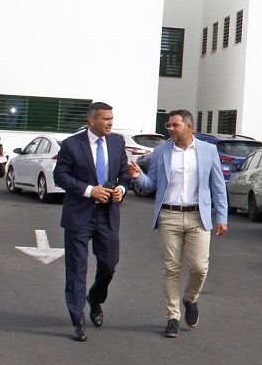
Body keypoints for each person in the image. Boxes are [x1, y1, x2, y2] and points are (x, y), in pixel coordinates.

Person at [128, 109, 228, 338]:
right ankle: (172, 317)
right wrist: (137, 177)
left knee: (199, 267)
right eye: (169, 126)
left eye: (175, 125)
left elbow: (218, 185)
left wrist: (221, 217)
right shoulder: (161, 151)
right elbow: (150, 184)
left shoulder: (208, 150)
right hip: (169, 216)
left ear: (188, 127)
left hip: (197, 216)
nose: (170, 129)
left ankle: (190, 299)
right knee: (172, 268)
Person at [53, 102, 132, 342]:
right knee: (77, 269)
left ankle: (95, 298)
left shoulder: (117, 142)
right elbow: (60, 176)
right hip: (79, 215)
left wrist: (120, 188)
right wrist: (89, 190)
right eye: (106, 119)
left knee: (109, 264)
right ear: (92, 120)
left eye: (112, 118)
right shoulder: (71, 145)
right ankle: (78, 319)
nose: (110, 122)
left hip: (107, 215)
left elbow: (125, 173)